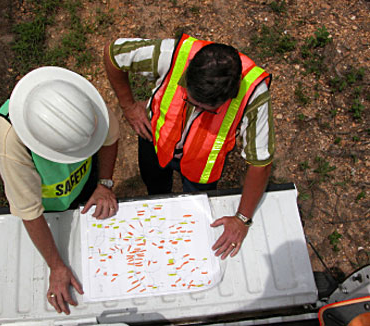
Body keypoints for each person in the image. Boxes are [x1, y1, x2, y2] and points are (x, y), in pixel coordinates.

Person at [104, 34, 274, 261]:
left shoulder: (254, 94)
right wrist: (128, 107)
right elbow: (113, 54)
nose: (194, 109)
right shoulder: (171, 55)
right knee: (155, 187)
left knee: (196, 213)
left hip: (202, 166)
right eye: (189, 101)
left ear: (228, 98)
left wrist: (242, 218)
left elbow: (260, 163)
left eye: (205, 109)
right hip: (154, 141)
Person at [0, 66, 119, 314]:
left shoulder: (81, 102)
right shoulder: (9, 142)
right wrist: (56, 266)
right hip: (47, 208)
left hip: (86, 186)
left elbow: (110, 138)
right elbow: (29, 210)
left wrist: (104, 183)